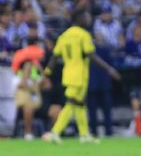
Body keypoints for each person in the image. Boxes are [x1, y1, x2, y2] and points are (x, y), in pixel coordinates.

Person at [42, 9, 121, 144]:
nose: (88, 19)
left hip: (68, 74)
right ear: (79, 18)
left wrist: (47, 73)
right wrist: (109, 69)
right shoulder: (83, 35)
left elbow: (54, 56)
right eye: (86, 16)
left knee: (80, 103)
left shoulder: (64, 35)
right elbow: (91, 55)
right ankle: (55, 132)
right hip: (79, 75)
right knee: (71, 103)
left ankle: (84, 135)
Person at [12, 37, 44, 140]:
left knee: (31, 106)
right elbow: (21, 85)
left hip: (34, 95)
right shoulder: (22, 70)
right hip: (23, 94)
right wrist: (26, 73)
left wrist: (39, 67)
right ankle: (27, 132)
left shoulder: (36, 68)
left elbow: (44, 81)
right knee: (27, 107)